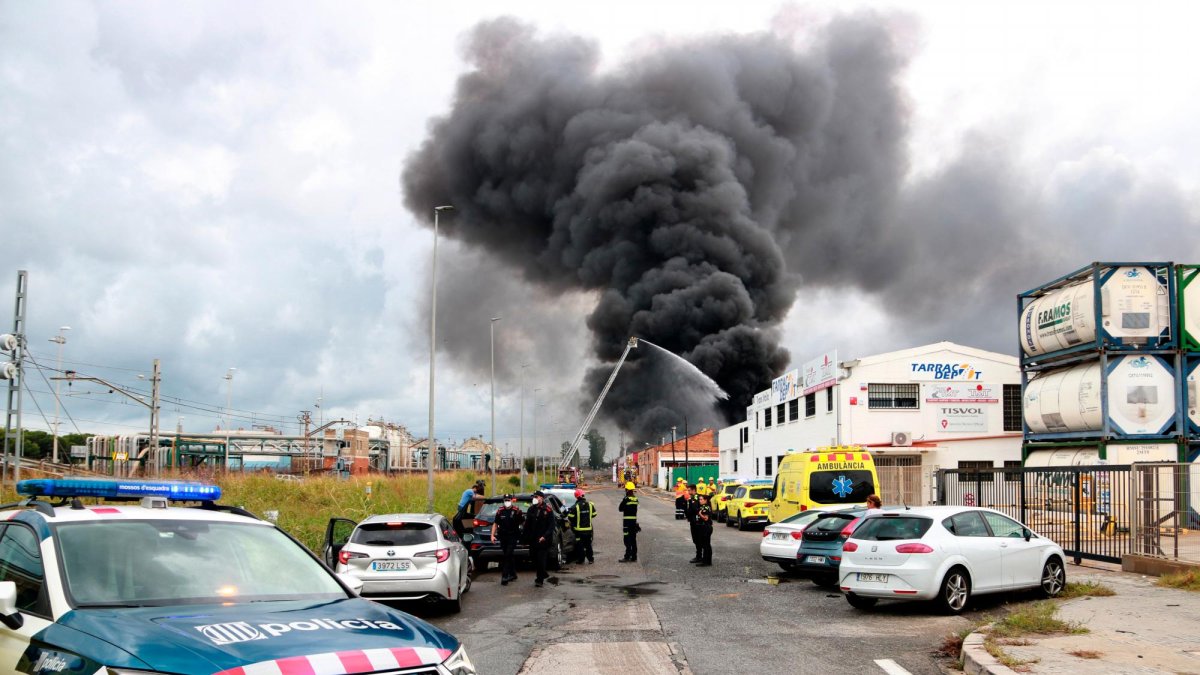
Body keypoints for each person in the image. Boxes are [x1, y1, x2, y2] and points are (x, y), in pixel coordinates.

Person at [522, 491, 556, 587]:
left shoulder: (548, 510)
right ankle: (543, 572)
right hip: (533, 539)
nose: (535, 498)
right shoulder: (531, 509)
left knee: (541, 559)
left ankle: (539, 579)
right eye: (534, 497)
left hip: (543, 540)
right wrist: (524, 539)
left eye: (536, 497)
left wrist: (545, 536)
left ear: (541, 498)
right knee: (533, 559)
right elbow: (527, 525)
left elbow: (551, 526)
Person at [490, 493, 524, 585]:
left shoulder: (516, 511)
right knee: (508, 554)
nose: (507, 502)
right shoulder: (500, 511)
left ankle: (505, 576)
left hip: (513, 536)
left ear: (511, 501)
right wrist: (492, 535)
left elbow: (522, 523)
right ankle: (513, 574)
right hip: (503, 536)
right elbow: (495, 524)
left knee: (508, 555)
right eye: (505, 500)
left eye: (508, 500)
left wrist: (523, 536)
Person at [567, 488, 596, 564]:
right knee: (588, 545)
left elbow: (570, 516)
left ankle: (581, 560)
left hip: (579, 531)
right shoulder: (590, 505)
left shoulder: (575, 506)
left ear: (576, 497)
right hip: (588, 529)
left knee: (580, 545)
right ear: (583, 495)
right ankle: (591, 559)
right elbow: (594, 514)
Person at [618, 482, 639, 562]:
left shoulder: (626, 499)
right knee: (633, 540)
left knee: (627, 540)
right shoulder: (636, 499)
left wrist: (624, 499)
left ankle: (627, 556)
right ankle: (634, 557)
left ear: (627, 490)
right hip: (633, 522)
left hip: (627, 523)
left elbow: (620, 508)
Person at [685, 483, 703, 563]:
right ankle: (699, 555)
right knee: (695, 539)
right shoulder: (691, 498)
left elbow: (695, 509)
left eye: (689, 490)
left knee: (697, 539)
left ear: (693, 490)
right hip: (693, 521)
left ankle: (699, 556)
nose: (688, 492)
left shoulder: (696, 498)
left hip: (696, 522)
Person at [695, 493, 713, 566]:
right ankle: (707, 560)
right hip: (703, 527)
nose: (700, 500)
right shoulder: (703, 507)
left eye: (701, 499)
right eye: (699, 499)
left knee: (706, 545)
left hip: (705, 527)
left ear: (705, 500)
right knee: (706, 544)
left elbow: (706, 518)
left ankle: (706, 561)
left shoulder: (705, 507)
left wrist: (700, 514)